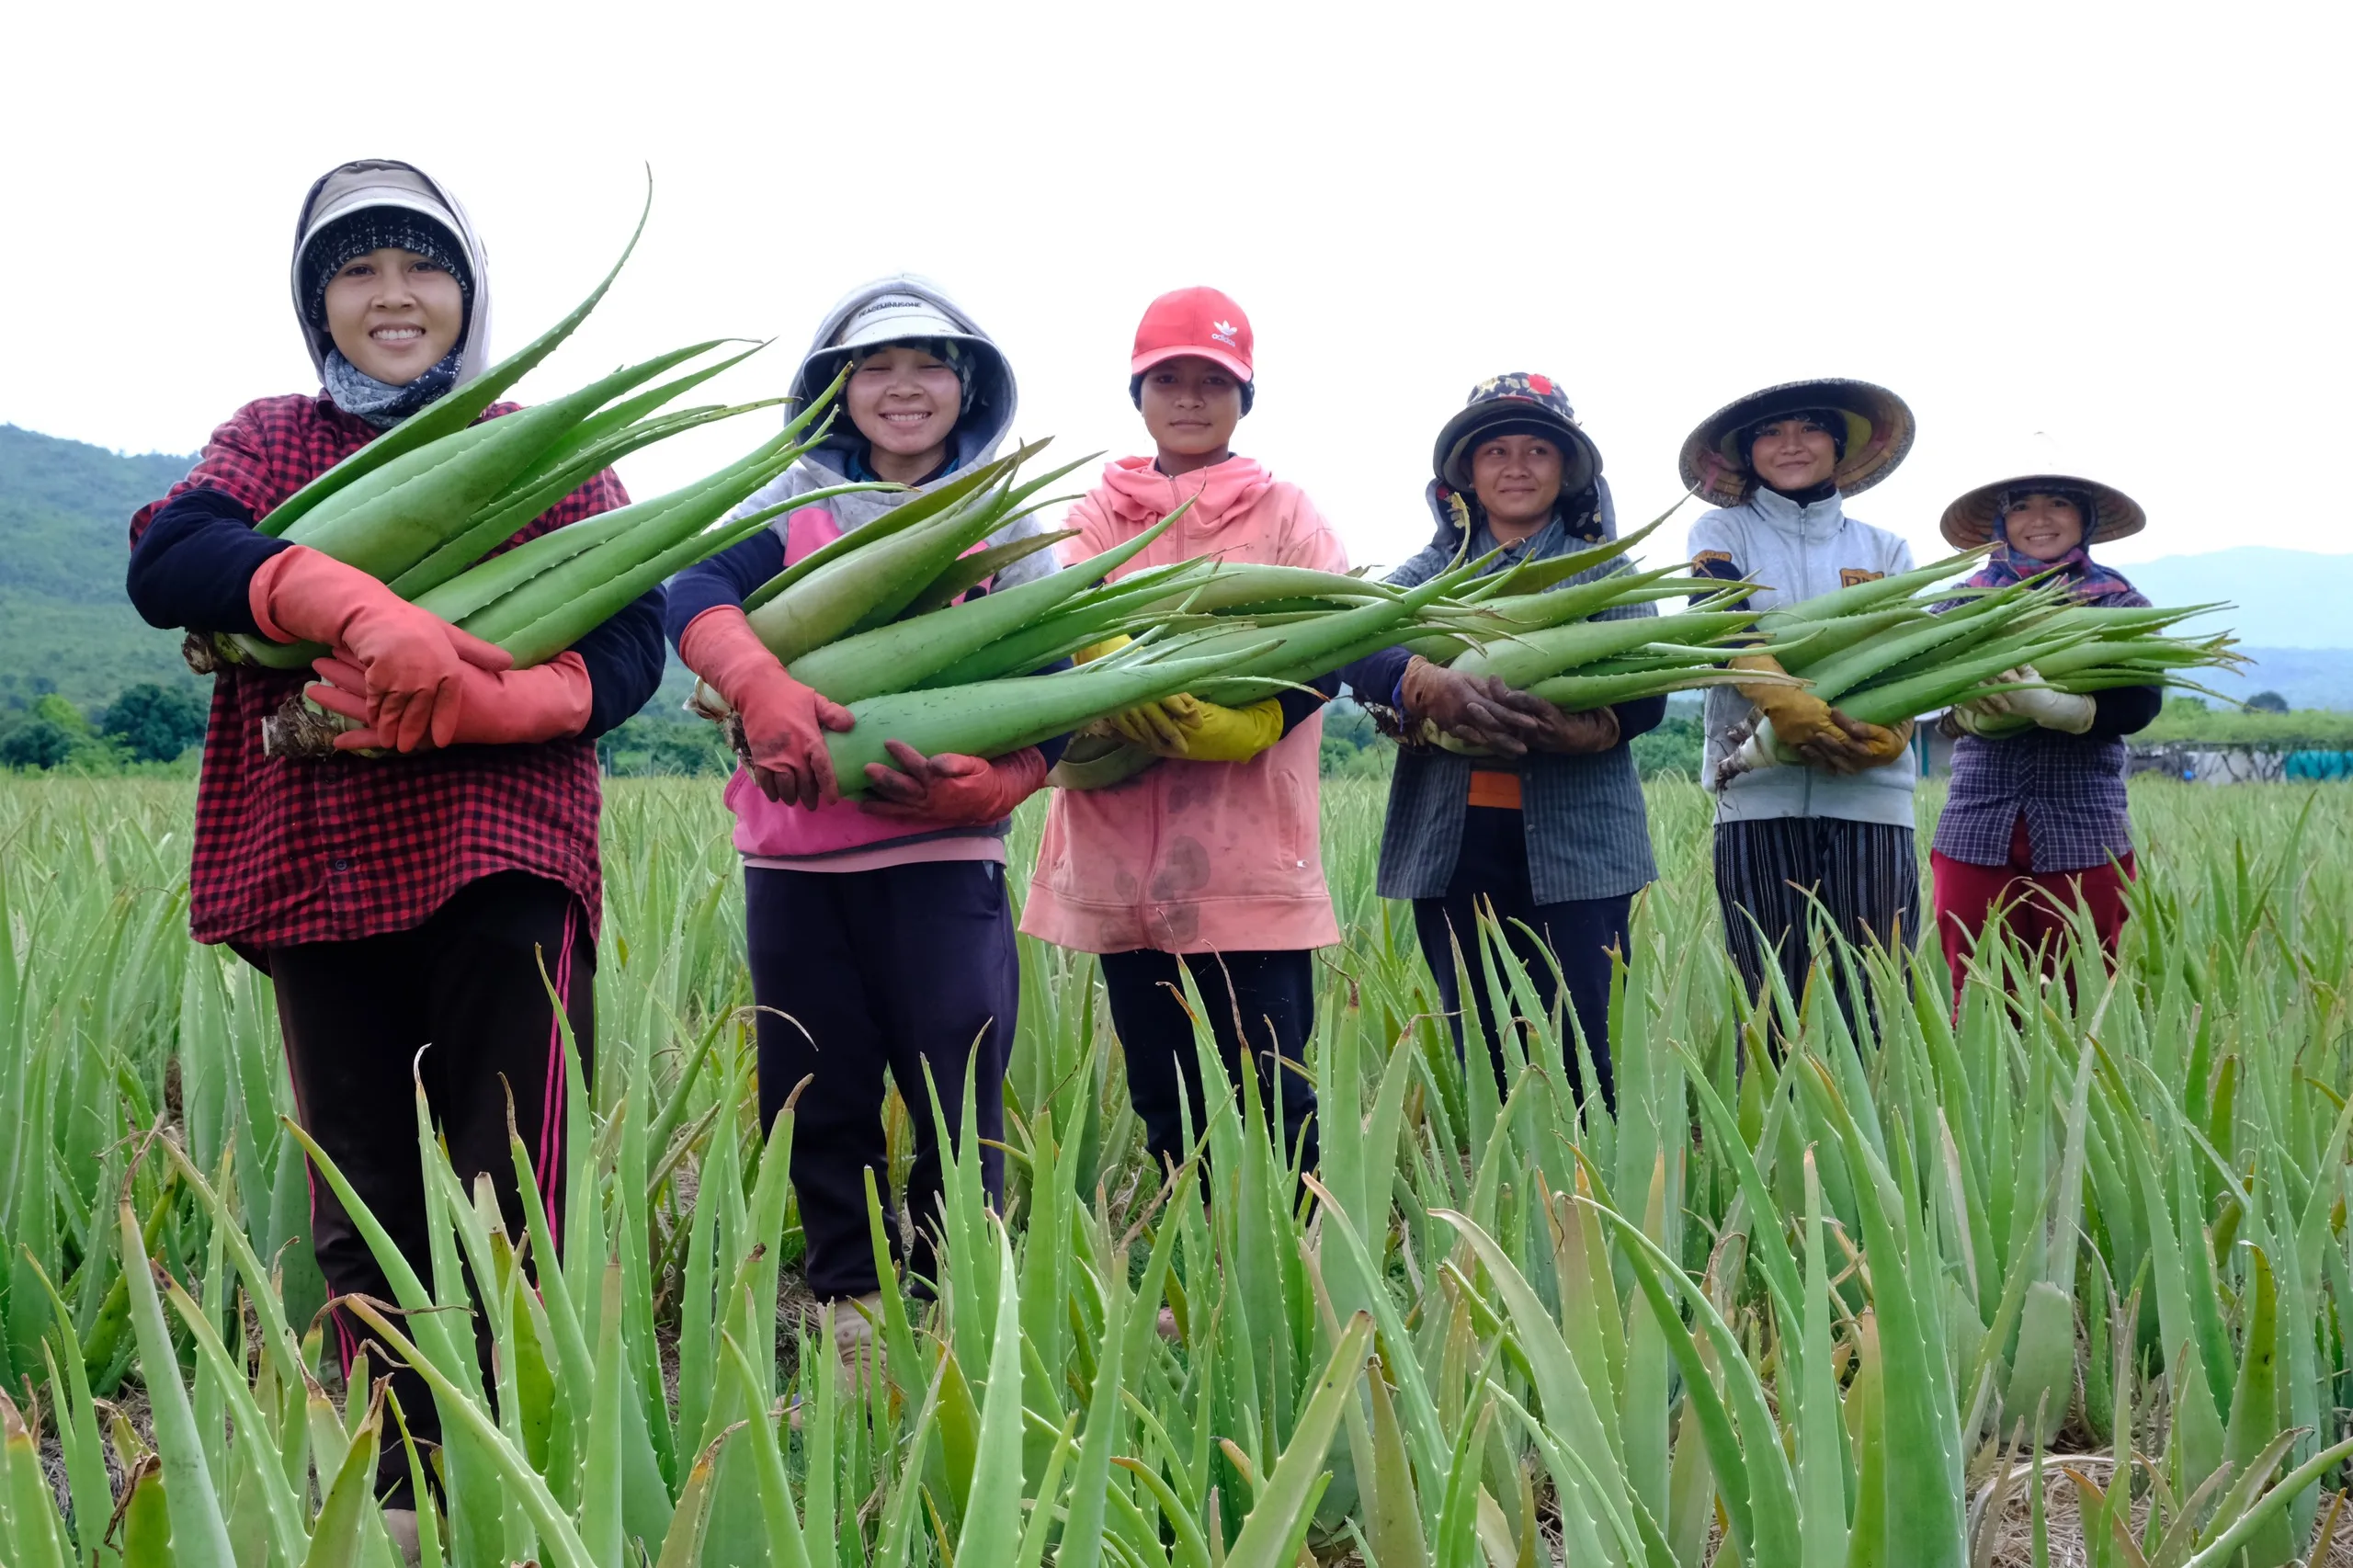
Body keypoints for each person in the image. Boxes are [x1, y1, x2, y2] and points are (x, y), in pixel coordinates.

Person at [123, 160, 665, 1515]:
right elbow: (170, 556)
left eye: (422, 265)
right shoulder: (274, 437)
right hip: (322, 863)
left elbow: (631, 636)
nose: (393, 295)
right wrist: (349, 603)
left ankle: (522, 1484)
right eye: (356, 270)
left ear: (468, 292)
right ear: (317, 304)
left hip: (504, 850)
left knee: (511, 1184)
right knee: (361, 1187)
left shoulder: (545, 444)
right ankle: (407, 1494)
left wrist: (511, 699)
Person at [665, 278, 1060, 1334]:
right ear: (835, 389)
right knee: (815, 1077)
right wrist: (757, 682)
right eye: (875, 367)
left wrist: (1010, 777)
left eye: (929, 364)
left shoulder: (1001, 517)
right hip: (795, 857)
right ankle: (849, 1292)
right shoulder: (792, 499)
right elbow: (693, 591)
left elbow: (1058, 677)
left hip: (944, 852)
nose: (903, 387)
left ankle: (953, 1283)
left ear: (968, 385)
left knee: (957, 1067)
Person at [1021, 288, 1343, 1183]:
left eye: (1214, 381)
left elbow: (1337, 644)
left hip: (1248, 849)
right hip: (1121, 857)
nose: (1190, 398)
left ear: (1245, 396)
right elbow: (1050, 616)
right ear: (1138, 394)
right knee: (1164, 1094)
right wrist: (1108, 665)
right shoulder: (1094, 512)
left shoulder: (1287, 512)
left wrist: (1253, 722)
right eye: (1168, 379)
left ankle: (1294, 1251)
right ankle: (1192, 1249)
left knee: (1274, 1092)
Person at [1342, 374, 1661, 1111]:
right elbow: (1354, 642)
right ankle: (1496, 1174)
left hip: (1582, 850)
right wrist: (1421, 682)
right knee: (1482, 1051)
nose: (1516, 467)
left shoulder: (1605, 570)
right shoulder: (1434, 572)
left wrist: (1591, 727)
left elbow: (1648, 690)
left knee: (1588, 1051)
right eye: (1496, 451)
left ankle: (1588, 1177)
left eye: (1537, 450)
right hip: (1454, 847)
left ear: (1567, 469)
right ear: (1467, 471)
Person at [1682, 380, 1921, 1020]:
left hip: (1870, 793)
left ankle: (1880, 1091)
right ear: (1746, 452)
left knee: (1878, 994)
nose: (1791, 444)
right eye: (1770, 432)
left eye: (1811, 427)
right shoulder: (1720, 532)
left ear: (1839, 445)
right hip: (1755, 789)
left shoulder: (1885, 549)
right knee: (1765, 995)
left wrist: (1892, 734)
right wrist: (1784, 702)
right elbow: (1719, 621)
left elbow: (1913, 657)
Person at [1929, 472, 2160, 1003]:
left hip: (2083, 821)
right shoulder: (1963, 604)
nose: (2039, 520)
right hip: (1977, 819)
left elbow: (2140, 703)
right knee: (1981, 993)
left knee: (2082, 995)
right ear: (2001, 522)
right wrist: (1964, 708)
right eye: (2021, 507)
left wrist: (2065, 709)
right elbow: (1921, 683)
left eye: (2059, 503)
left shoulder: (2120, 605)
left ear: (2085, 518)